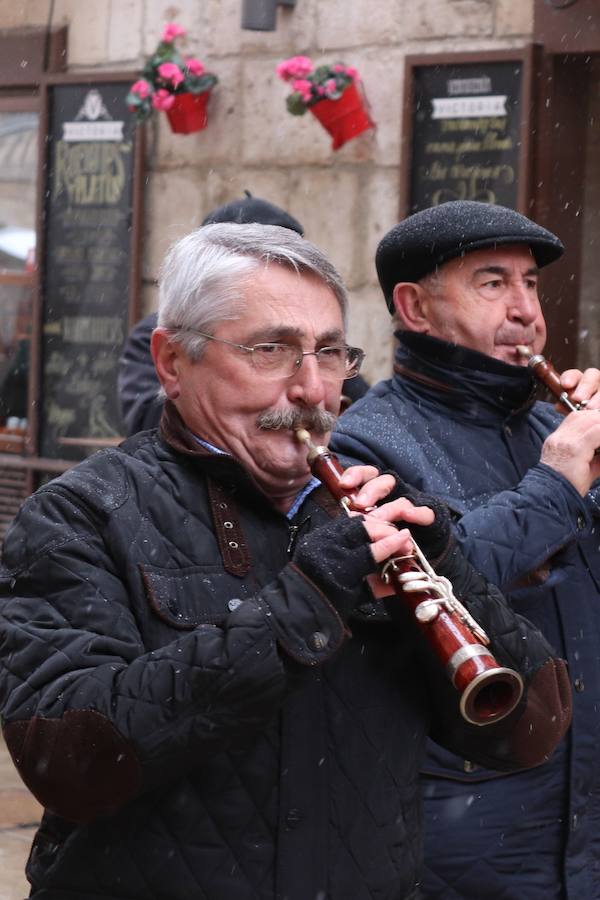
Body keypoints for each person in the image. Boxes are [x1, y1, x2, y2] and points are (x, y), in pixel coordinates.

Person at [0, 223, 570, 900]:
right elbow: (73, 761)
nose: (311, 389)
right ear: (171, 362)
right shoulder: (80, 514)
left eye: (330, 354)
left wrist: (447, 563)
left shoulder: (370, 506)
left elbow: (527, 731)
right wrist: (303, 605)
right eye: (271, 350)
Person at [331, 200, 600, 900]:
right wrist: (556, 484)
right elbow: (432, 579)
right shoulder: (366, 443)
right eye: (492, 282)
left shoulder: (556, 427)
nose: (525, 310)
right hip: (470, 816)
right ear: (414, 307)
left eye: (531, 284)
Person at [117, 192, 368, 435]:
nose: (313, 392)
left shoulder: (316, 335)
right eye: (270, 348)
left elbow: (361, 409)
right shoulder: (166, 334)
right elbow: (149, 418)